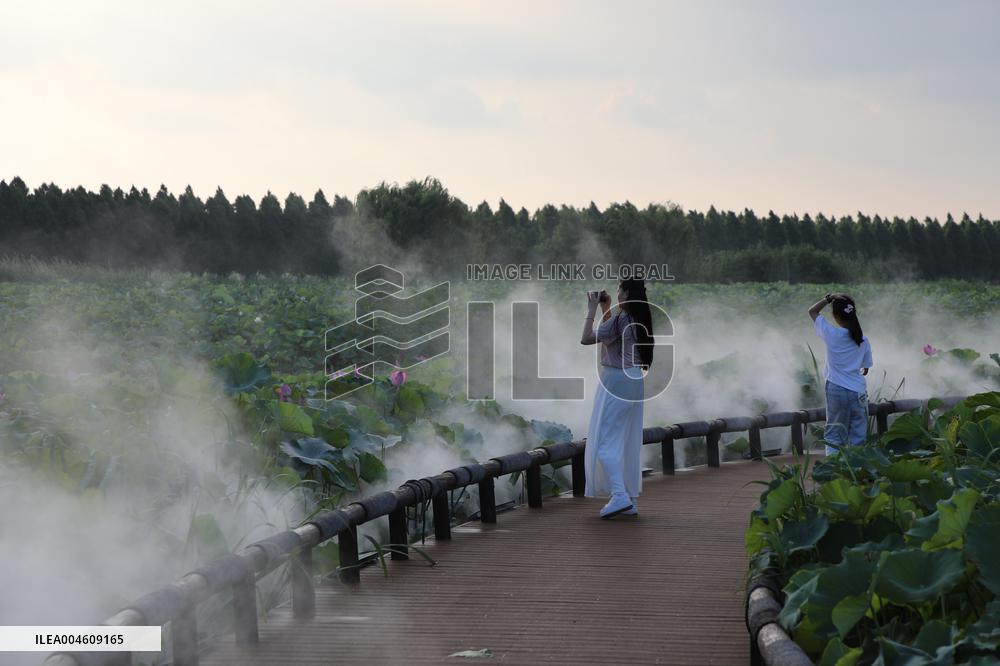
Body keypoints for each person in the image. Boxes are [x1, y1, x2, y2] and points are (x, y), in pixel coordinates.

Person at [580, 278, 654, 518]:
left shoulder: (622, 319)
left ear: (626, 295)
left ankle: (620, 496)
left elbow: (587, 337)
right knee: (625, 438)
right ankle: (627, 498)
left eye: (619, 291)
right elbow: (612, 335)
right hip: (634, 378)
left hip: (617, 380)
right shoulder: (637, 318)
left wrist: (591, 308)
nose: (616, 293)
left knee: (605, 441)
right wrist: (606, 307)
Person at [808, 292, 873, 456]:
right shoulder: (863, 339)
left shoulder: (832, 334)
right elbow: (865, 368)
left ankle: (835, 474)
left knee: (835, 436)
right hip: (858, 393)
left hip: (836, 389)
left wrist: (828, 298)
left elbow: (812, 311)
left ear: (836, 316)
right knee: (858, 437)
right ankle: (857, 473)